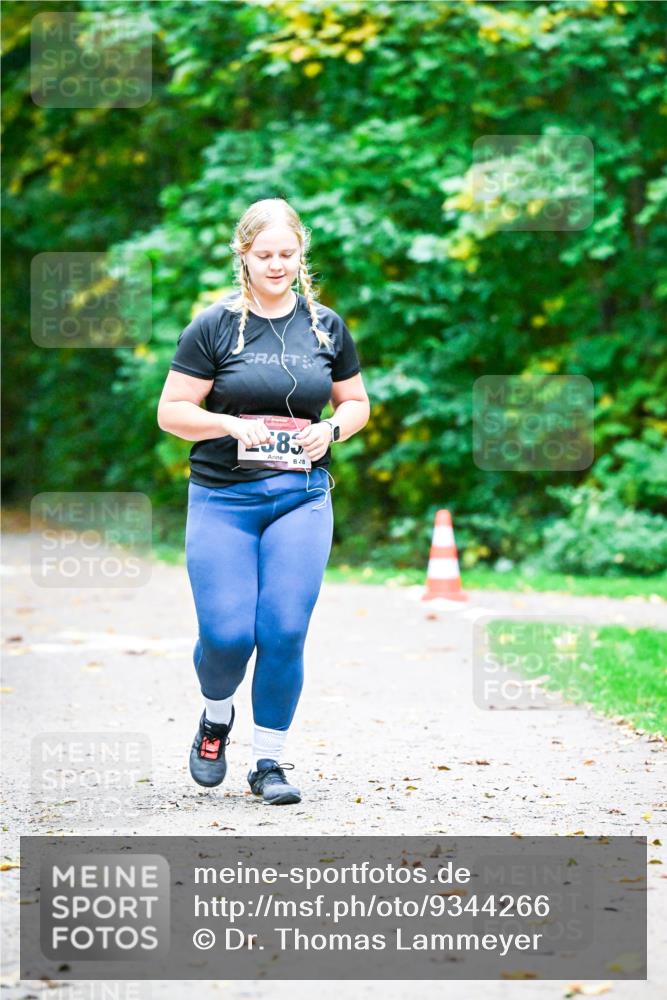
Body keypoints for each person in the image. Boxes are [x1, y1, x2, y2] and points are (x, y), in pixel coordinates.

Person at [157, 198, 370, 805]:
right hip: (224, 497)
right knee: (227, 636)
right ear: (243, 257)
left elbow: (356, 403)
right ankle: (214, 718)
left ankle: (269, 762)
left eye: (287, 254)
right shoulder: (215, 326)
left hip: (301, 496)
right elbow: (172, 412)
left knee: (283, 630)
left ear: (301, 254)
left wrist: (331, 429)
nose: (276, 265)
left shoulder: (326, 326)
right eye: (264, 255)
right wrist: (226, 425)